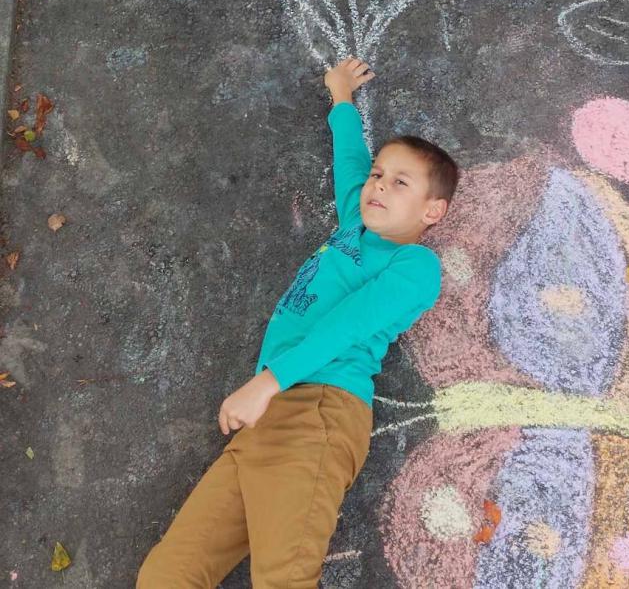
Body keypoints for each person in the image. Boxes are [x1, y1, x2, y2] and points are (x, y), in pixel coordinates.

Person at [137, 56, 459, 588]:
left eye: (400, 182)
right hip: (268, 413)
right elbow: (351, 160)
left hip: (319, 412)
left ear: (433, 212)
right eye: (379, 176)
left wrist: (267, 383)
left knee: (283, 579)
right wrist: (341, 97)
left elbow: (348, 324)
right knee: (166, 575)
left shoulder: (415, 265)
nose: (379, 185)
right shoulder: (354, 225)